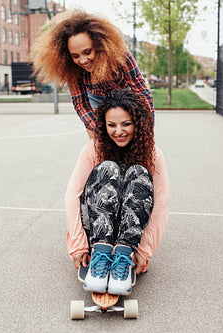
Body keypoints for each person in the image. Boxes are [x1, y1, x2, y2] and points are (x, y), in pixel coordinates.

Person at [64, 89, 168, 295]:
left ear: (137, 124)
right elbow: (72, 195)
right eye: (112, 125)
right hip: (96, 226)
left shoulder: (153, 154)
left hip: (130, 232)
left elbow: (161, 205)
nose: (118, 131)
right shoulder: (94, 148)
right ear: (104, 125)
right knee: (108, 168)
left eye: (126, 124)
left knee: (138, 172)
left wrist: (144, 251)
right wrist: (78, 245)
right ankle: (100, 255)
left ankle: (122, 255)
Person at [31, 9, 154, 138]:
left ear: (99, 45)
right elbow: (81, 103)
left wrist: (147, 129)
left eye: (87, 52)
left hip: (125, 93)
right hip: (95, 98)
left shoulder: (120, 55)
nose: (83, 60)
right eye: (75, 55)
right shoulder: (71, 67)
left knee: (131, 137)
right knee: (98, 143)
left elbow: (141, 92)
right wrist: (102, 134)